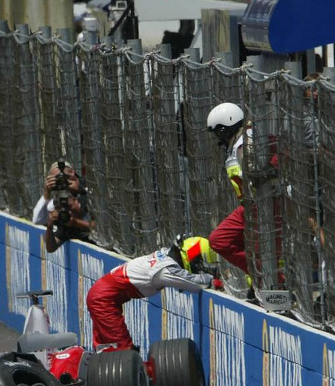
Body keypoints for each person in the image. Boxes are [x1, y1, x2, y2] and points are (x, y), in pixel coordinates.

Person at [86, 236, 217, 350]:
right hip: (103, 299)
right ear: (192, 257)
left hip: (101, 293)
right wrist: (214, 280)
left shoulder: (165, 254)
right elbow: (195, 283)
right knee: (123, 349)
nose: (199, 269)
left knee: (106, 347)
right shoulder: (164, 269)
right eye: (199, 264)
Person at [206, 102, 250, 274]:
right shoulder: (236, 145)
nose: (218, 137)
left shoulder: (246, 142)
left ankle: (271, 280)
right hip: (248, 207)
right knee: (219, 240)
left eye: (218, 131)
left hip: (264, 204)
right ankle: (258, 272)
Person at [34, 160, 94, 253]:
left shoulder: (91, 190)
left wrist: (76, 221)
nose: (60, 182)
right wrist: (49, 226)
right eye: (55, 180)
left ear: (71, 172)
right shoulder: (63, 209)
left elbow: (101, 229)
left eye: (60, 178)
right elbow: (50, 248)